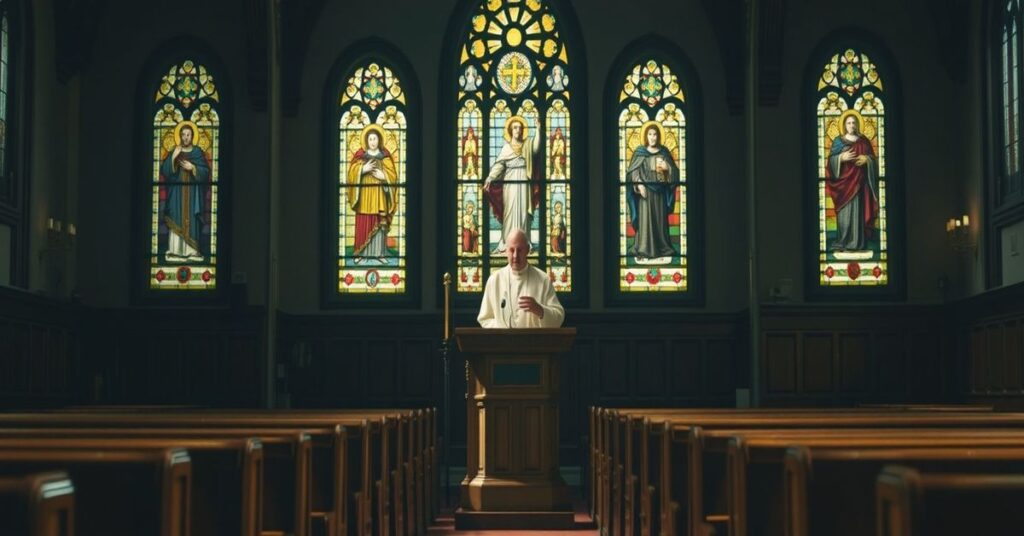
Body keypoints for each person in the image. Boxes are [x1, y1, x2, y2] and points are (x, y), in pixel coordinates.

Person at [478, 229, 564, 328]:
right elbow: (484, 319)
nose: (515, 256)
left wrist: (540, 310)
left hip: (533, 342)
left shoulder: (543, 280)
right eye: (511, 250)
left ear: (527, 250)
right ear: (505, 250)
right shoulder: (494, 280)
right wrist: (503, 329)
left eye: (519, 250)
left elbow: (559, 317)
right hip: (502, 342)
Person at [483, 116, 540, 253]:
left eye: (520, 128)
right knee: (509, 212)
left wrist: (538, 129)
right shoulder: (506, 148)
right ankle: (507, 242)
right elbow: (499, 166)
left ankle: (525, 242)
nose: (517, 130)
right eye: (514, 127)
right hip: (509, 183)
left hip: (524, 183)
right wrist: (490, 178)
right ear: (510, 130)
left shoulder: (527, 145)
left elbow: (536, 148)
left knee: (522, 212)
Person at [625, 122, 679, 260]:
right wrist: (638, 184)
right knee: (645, 221)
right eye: (650, 134)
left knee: (659, 221)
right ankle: (643, 248)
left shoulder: (664, 152)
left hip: (660, 194)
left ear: (659, 136)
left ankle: (662, 248)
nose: (652, 137)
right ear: (646, 136)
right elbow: (632, 172)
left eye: (655, 134)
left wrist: (667, 167)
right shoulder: (640, 152)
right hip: (645, 195)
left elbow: (675, 174)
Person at [826, 112, 878, 251]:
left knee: (858, 212)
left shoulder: (864, 141)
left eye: (854, 122)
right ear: (844, 125)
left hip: (860, 184)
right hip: (843, 187)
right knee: (844, 213)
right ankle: (843, 240)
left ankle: (857, 242)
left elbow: (873, 159)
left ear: (858, 124)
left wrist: (867, 160)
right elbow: (830, 161)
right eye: (848, 123)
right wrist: (841, 158)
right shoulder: (838, 141)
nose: (851, 125)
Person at [346, 125, 398, 263]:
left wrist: (384, 176)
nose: (373, 141)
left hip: (379, 196)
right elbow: (351, 173)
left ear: (379, 140)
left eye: (375, 138)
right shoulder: (360, 156)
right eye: (370, 139)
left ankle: (380, 254)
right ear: (366, 141)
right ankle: (360, 253)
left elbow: (393, 176)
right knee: (363, 221)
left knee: (379, 223)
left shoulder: (385, 156)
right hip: (364, 197)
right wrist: (362, 169)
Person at [161, 121, 211, 263]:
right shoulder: (175, 151)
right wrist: (173, 158)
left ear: (192, 136)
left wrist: (193, 168)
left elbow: (205, 172)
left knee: (192, 220)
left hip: (193, 194)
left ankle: (192, 251)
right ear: (180, 136)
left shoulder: (197, 153)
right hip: (177, 194)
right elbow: (165, 171)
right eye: (183, 134)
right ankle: (175, 251)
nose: (186, 137)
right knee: (177, 217)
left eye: (188, 134)